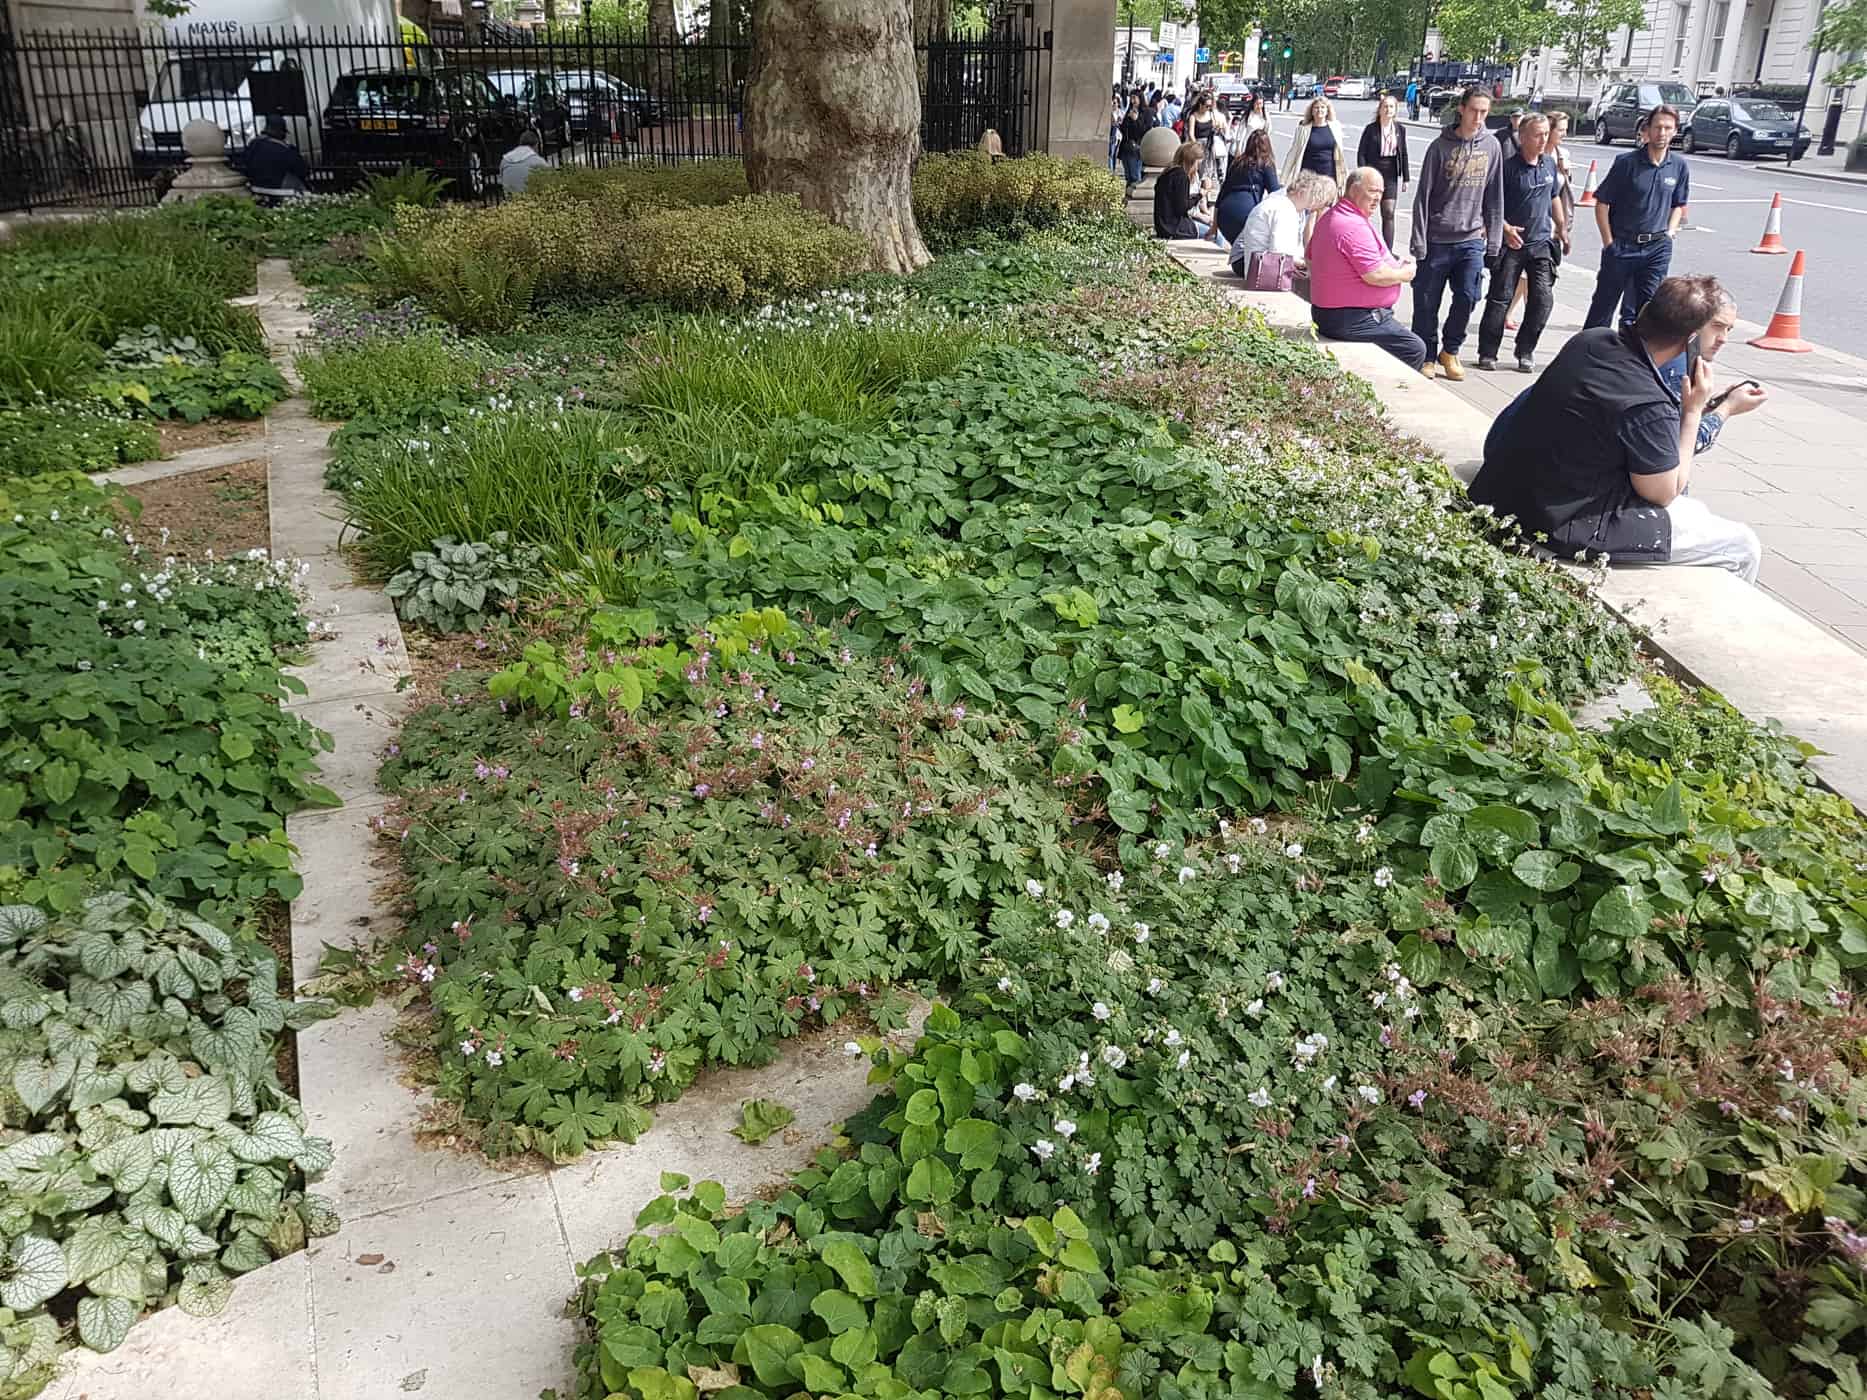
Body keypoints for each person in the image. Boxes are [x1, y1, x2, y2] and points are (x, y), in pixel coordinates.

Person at [1466, 275, 1761, 583]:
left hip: (1505, 492)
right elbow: (1664, 493)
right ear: (1689, 340)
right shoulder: (1649, 402)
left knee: (1697, 511)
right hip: (1557, 525)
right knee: (1742, 545)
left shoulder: (1590, 341)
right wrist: (1693, 411)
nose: (1723, 338)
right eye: (1716, 328)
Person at [1408, 86, 1504, 381]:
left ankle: (1450, 349)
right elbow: (1423, 196)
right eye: (1474, 110)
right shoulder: (1440, 147)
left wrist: (1495, 240)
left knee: (1468, 296)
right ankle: (1426, 353)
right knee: (1427, 302)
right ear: (1461, 109)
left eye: (1484, 112)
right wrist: (1419, 241)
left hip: (1471, 238)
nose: (1478, 118)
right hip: (1437, 238)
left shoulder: (1492, 146)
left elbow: (1495, 195)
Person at [1307, 166, 1427, 370]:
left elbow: (1309, 258)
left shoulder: (1333, 217)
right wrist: (1404, 274)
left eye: (1381, 192)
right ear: (1354, 190)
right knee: (1413, 348)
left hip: (1333, 312)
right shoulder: (1351, 225)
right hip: (1348, 318)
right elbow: (1375, 275)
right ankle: (1387, 392)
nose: (1378, 198)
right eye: (1373, 191)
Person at [1475, 113, 1567, 374]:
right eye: (1537, 135)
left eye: (1546, 135)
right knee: (1500, 298)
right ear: (1523, 137)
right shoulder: (1507, 168)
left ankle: (1525, 350)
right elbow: (1490, 203)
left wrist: (1562, 229)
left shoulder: (1549, 165)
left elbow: (1554, 197)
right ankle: (1487, 352)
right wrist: (1503, 228)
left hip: (1540, 243)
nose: (1542, 140)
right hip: (1512, 244)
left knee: (1542, 300)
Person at [1584, 105, 1689, 332]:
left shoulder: (1679, 166)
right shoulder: (1626, 163)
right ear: (1647, 130)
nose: (1662, 133)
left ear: (1675, 131)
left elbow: (1679, 204)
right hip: (1623, 245)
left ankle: (1635, 360)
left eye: (1668, 128)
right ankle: (1586, 358)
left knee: (1648, 310)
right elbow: (1602, 203)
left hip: (1657, 247)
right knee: (1603, 307)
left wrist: (1669, 233)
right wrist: (1609, 243)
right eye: (1658, 127)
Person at [1229, 168, 1335, 277]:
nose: (1311, 205)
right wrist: (1305, 264)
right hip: (1265, 275)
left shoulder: (1279, 203)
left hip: (1254, 269)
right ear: (1301, 193)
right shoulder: (1285, 209)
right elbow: (1279, 253)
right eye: (1312, 199)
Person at [1356, 94, 1410, 250]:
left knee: (1388, 212)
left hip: (1391, 171)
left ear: (1395, 110)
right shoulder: (1371, 129)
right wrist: (1363, 174)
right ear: (1380, 109)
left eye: (1391, 107)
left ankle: (1388, 251)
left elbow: (1403, 153)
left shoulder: (1400, 129)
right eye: (1385, 106)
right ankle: (1364, 246)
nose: (1388, 110)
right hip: (1373, 171)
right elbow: (1361, 152)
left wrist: (1406, 178)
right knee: (1366, 211)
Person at [1214, 129, 1281, 242]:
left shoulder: (1238, 162)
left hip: (1224, 213)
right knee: (1249, 250)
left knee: (1236, 248)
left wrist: (1214, 225)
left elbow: (1222, 192)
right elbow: (1275, 193)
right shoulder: (1266, 163)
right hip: (1245, 215)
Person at [1154, 140, 1215, 240]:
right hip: (1175, 227)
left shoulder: (1167, 173)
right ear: (1191, 161)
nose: (1197, 168)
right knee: (1216, 235)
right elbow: (1182, 207)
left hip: (1163, 225)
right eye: (1197, 164)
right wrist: (1200, 195)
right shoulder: (1181, 176)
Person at [1283, 96, 1347, 188]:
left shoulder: (1335, 127)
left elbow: (1340, 153)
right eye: (1316, 107)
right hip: (1308, 176)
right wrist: (1283, 179)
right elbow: (1293, 153)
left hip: (1329, 175)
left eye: (1323, 107)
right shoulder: (1303, 129)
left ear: (1327, 110)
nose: (1319, 110)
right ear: (1312, 111)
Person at [242, 116, 310, 199]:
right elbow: (303, 171)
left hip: (256, 190)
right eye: (284, 132)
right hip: (281, 191)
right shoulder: (285, 148)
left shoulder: (253, 145)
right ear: (279, 131)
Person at [1188, 92, 1230, 184]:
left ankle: (1207, 187)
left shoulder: (1211, 114)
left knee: (1209, 169)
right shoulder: (1193, 116)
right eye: (1207, 106)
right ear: (1200, 105)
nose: (1209, 108)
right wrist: (1196, 146)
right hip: (1198, 145)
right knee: (1198, 169)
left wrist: (1219, 128)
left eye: (1210, 106)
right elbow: (1191, 134)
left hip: (1210, 145)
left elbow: (1216, 126)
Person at [1117, 92, 1151, 198]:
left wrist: (1136, 120)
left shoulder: (1146, 112)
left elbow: (1145, 130)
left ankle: (1135, 197)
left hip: (1136, 148)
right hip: (1126, 147)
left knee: (1135, 176)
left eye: (1134, 98)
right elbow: (1124, 129)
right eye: (1131, 98)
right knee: (1128, 176)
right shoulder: (1130, 110)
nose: (1132, 101)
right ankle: (1127, 195)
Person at [499, 127, 551, 195]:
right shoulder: (539, 162)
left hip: (510, 200)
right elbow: (550, 182)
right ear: (536, 145)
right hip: (530, 200)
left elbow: (502, 179)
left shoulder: (505, 160)